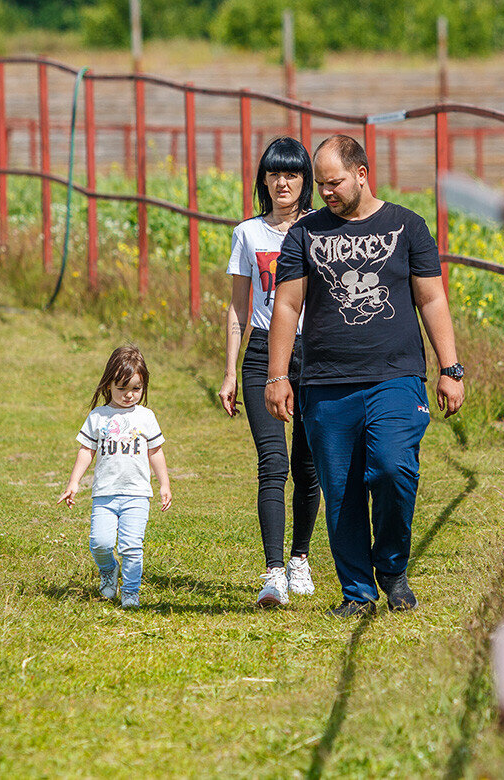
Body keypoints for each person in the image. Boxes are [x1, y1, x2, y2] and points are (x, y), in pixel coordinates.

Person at [265, 134, 465, 618]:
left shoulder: (406, 226)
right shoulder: (305, 234)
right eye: (321, 184)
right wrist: (277, 376)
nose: (326, 192)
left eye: (334, 183)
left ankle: (392, 568)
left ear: (361, 173)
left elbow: (432, 298)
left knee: (395, 468)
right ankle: (358, 592)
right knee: (342, 491)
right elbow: (288, 304)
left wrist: (450, 367)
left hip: (395, 377)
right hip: (325, 384)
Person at [218, 136, 322, 608]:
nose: (283, 182)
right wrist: (231, 371)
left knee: (308, 464)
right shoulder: (248, 234)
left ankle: (301, 556)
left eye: (293, 174)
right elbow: (238, 308)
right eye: (275, 173)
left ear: (306, 181)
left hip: (315, 354)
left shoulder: (323, 230)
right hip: (263, 352)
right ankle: (274, 571)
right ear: (263, 179)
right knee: (272, 463)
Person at [57, 346, 172, 609]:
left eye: (136, 388)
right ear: (109, 384)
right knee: (100, 543)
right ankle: (109, 570)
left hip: (137, 495)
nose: (129, 395)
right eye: (122, 388)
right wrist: (73, 482)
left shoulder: (146, 417)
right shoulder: (98, 417)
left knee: (132, 547)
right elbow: (86, 450)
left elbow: (155, 451)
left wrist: (164, 483)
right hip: (105, 495)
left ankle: (131, 592)